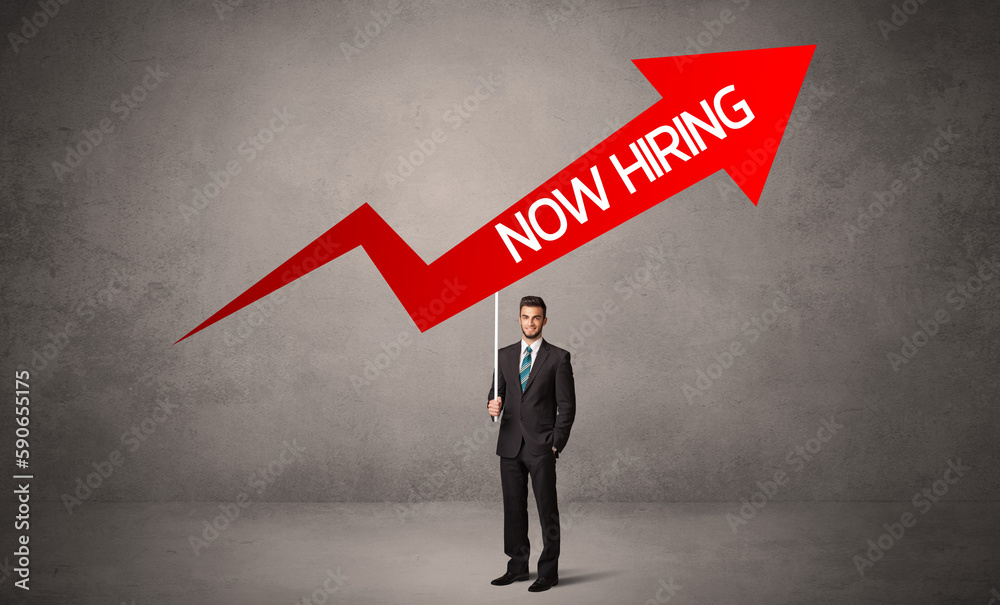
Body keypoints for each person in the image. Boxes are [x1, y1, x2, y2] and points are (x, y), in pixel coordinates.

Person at [486, 295, 576, 592]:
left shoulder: (558, 358)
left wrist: (555, 443)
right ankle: (517, 567)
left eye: (536, 317)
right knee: (514, 508)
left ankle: (548, 572)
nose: (530, 322)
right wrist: (492, 406)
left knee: (546, 509)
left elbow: (567, 406)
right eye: (525, 317)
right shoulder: (504, 355)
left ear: (544, 321)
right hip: (510, 444)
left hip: (541, 446)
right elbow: (495, 394)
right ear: (519, 319)